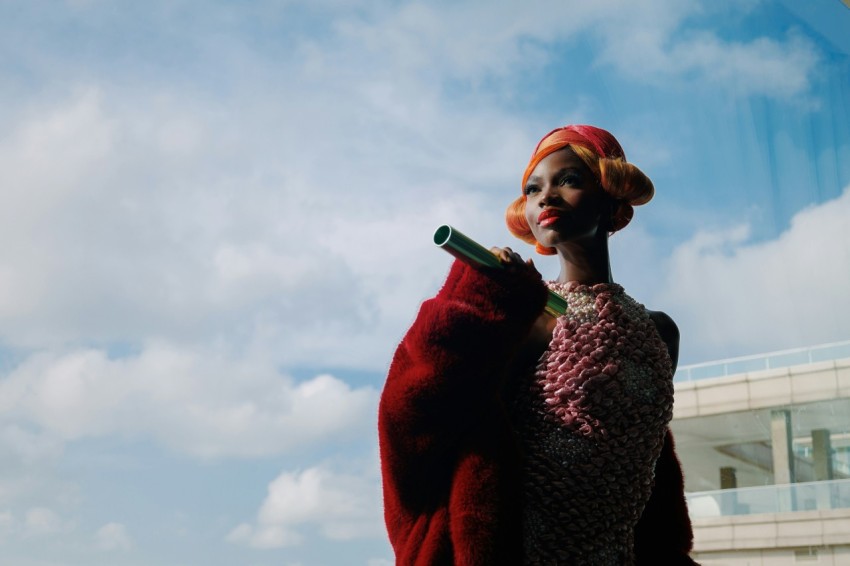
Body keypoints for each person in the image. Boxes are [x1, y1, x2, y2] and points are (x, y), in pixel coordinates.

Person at [378, 125, 697, 565]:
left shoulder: (660, 333)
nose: (546, 197)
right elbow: (426, 414)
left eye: (568, 180)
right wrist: (480, 303)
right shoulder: (528, 316)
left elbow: (650, 467)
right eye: (533, 189)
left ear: (610, 197)